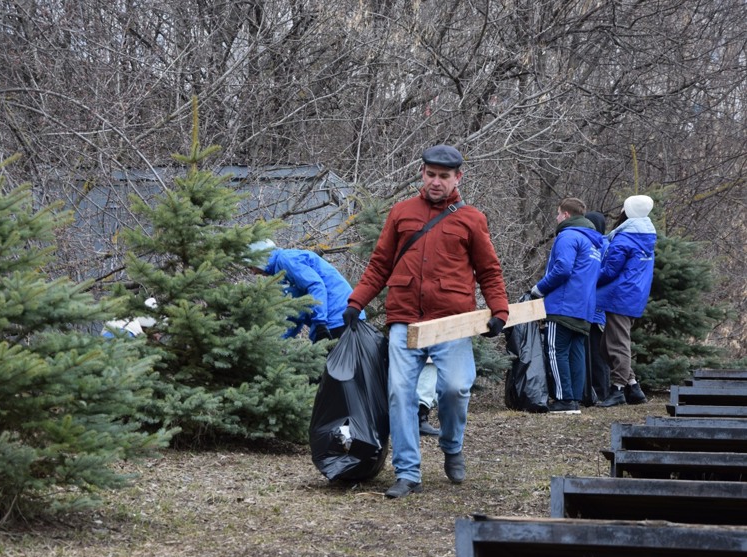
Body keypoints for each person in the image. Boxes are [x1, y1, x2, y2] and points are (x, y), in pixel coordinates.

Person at [342, 144, 509, 499]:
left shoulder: (471, 219)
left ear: (457, 178)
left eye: (444, 176)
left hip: (452, 321)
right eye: (430, 174)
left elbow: (489, 271)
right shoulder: (401, 212)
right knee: (399, 393)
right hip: (404, 318)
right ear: (422, 173)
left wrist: (499, 312)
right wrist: (356, 301)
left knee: (454, 388)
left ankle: (451, 446)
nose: (436, 182)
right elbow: (380, 264)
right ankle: (407, 472)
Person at [529, 198, 604, 415]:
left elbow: (562, 269)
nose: (556, 217)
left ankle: (564, 399)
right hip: (585, 308)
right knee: (576, 352)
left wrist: (539, 289)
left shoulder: (567, 236)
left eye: (558, 213)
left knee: (555, 350)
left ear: (567, 215)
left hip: (563, 306)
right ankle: (574, 399)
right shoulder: (593, 242)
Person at [594, 194, 656, 407]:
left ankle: (618, 389)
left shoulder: (625, 238)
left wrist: (589, 279)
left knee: (618, 344)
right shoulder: (645, 236)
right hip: (634, 295)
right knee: (605, 347)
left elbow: (610, 270)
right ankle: (633, 385)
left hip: (620, 295)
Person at [248, 240, 364, 343]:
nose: (253, 272)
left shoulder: (286, 259)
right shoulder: (280, 272)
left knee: (337, 365)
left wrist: (320, 323)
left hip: (338, 317)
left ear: (260, 257)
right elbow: (298, 312)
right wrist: (279, 343)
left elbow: (316, 285)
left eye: (251, 266)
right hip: (334, 319)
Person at [583, 211, 611, 405]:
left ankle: (601, 392)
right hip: (593, 307)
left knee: (597, 352)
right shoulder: (602, 244)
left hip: (596, 308)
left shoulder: (601, 245)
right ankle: (597, 391)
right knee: (595, 352)